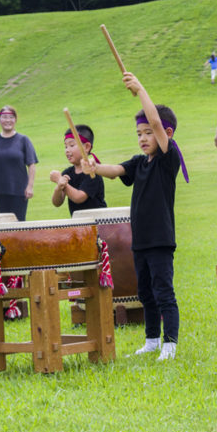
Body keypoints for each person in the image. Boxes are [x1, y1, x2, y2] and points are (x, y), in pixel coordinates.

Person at [80, 72, 184, 361]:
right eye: (139, 134)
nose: (143, 138)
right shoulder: (139, 163)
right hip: (140, 239)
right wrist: (94, 166)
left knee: (163, 292)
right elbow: (114, 170)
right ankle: (152, 340)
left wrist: (141, 89)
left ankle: (170, 343)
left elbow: (155, 120)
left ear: (166, 134)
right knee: (146, 292)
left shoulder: (168, 158)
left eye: (148, 132)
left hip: (161, 238)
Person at [0, 105, 38, 222]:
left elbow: (31, 164)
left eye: (11, 117)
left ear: (15, 120)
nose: (8, 120)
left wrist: (30, 186)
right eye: (4, 117)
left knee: (18, 224)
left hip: (19, 190)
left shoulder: (23, 140)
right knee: (2, 225)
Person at [50, 125, 106, 215]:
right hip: (79, 223)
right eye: (65, 147)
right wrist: (58, 188)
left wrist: (60, 180)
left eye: (71, 145)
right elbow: (57, 203)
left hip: (98, 222)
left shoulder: (93, 172)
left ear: (86, 147)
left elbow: (79, 197)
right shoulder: (67, 173)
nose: (67, 150)